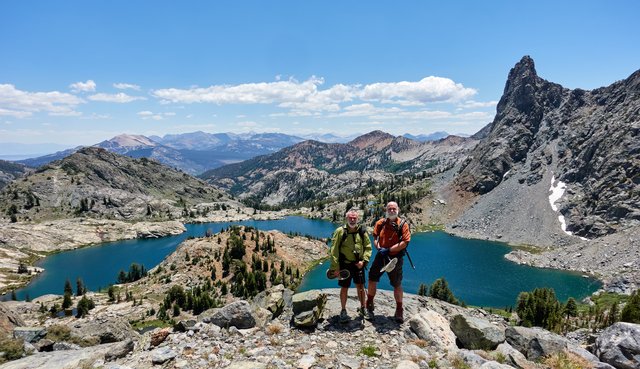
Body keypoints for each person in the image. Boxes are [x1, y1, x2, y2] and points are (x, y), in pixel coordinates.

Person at [366, 201, 411, 323]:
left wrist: (389, 250)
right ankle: (369, 303)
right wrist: (379, 248)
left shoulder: (403, 225)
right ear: (386, 210)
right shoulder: (380, 223)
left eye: (394, 209)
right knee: (372, 278)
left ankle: (399, 309)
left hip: (395, 258)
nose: (392, 211)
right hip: (381, 255)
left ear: (398, 210)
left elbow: (405, 243)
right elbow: (375, 238)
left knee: (396, 284)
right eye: (389, 209)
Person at [329, 208, 372, 323]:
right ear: (346, 218)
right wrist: (335, 267)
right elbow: (334, 250)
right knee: (344, 288)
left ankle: (363, 308)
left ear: (358, 219)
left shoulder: (362, 231)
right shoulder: (340, 231)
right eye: (350, 218)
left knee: (361, 287)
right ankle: (343, 311)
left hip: (359, 264)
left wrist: (364, 261)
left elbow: (368, 247)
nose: (352, 220)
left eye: (355, 218)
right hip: (345, 265)